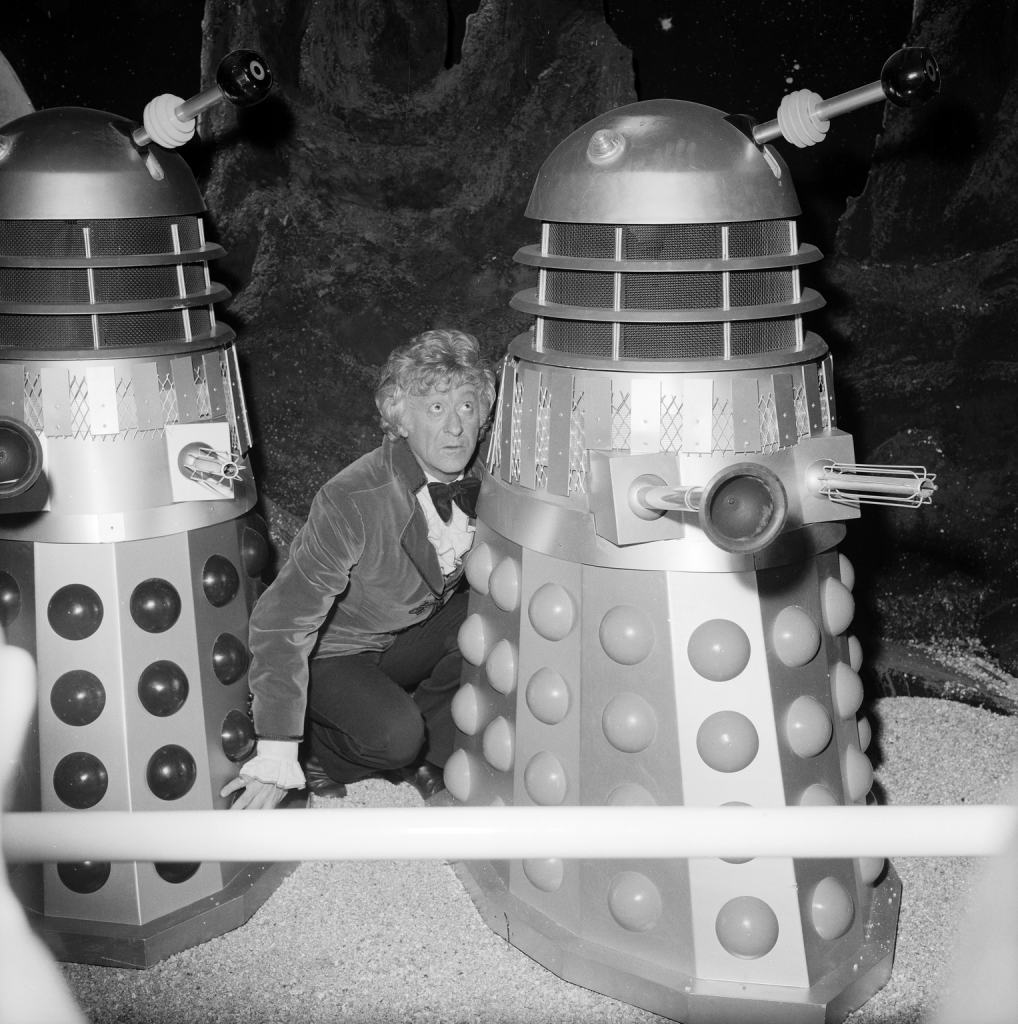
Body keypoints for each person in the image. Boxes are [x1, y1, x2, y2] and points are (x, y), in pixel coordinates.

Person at [222, 329, 496, 810]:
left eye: (467, 407)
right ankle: (323, 752)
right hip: (332, 651)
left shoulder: (482, 476)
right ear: (401, 418)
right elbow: (280, 620)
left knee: (484, 624)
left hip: (403, 635)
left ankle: (427, 757)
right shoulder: (352, 496)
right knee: (396, 737)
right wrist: (278, 748)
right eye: (436, 408)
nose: (456, 427)